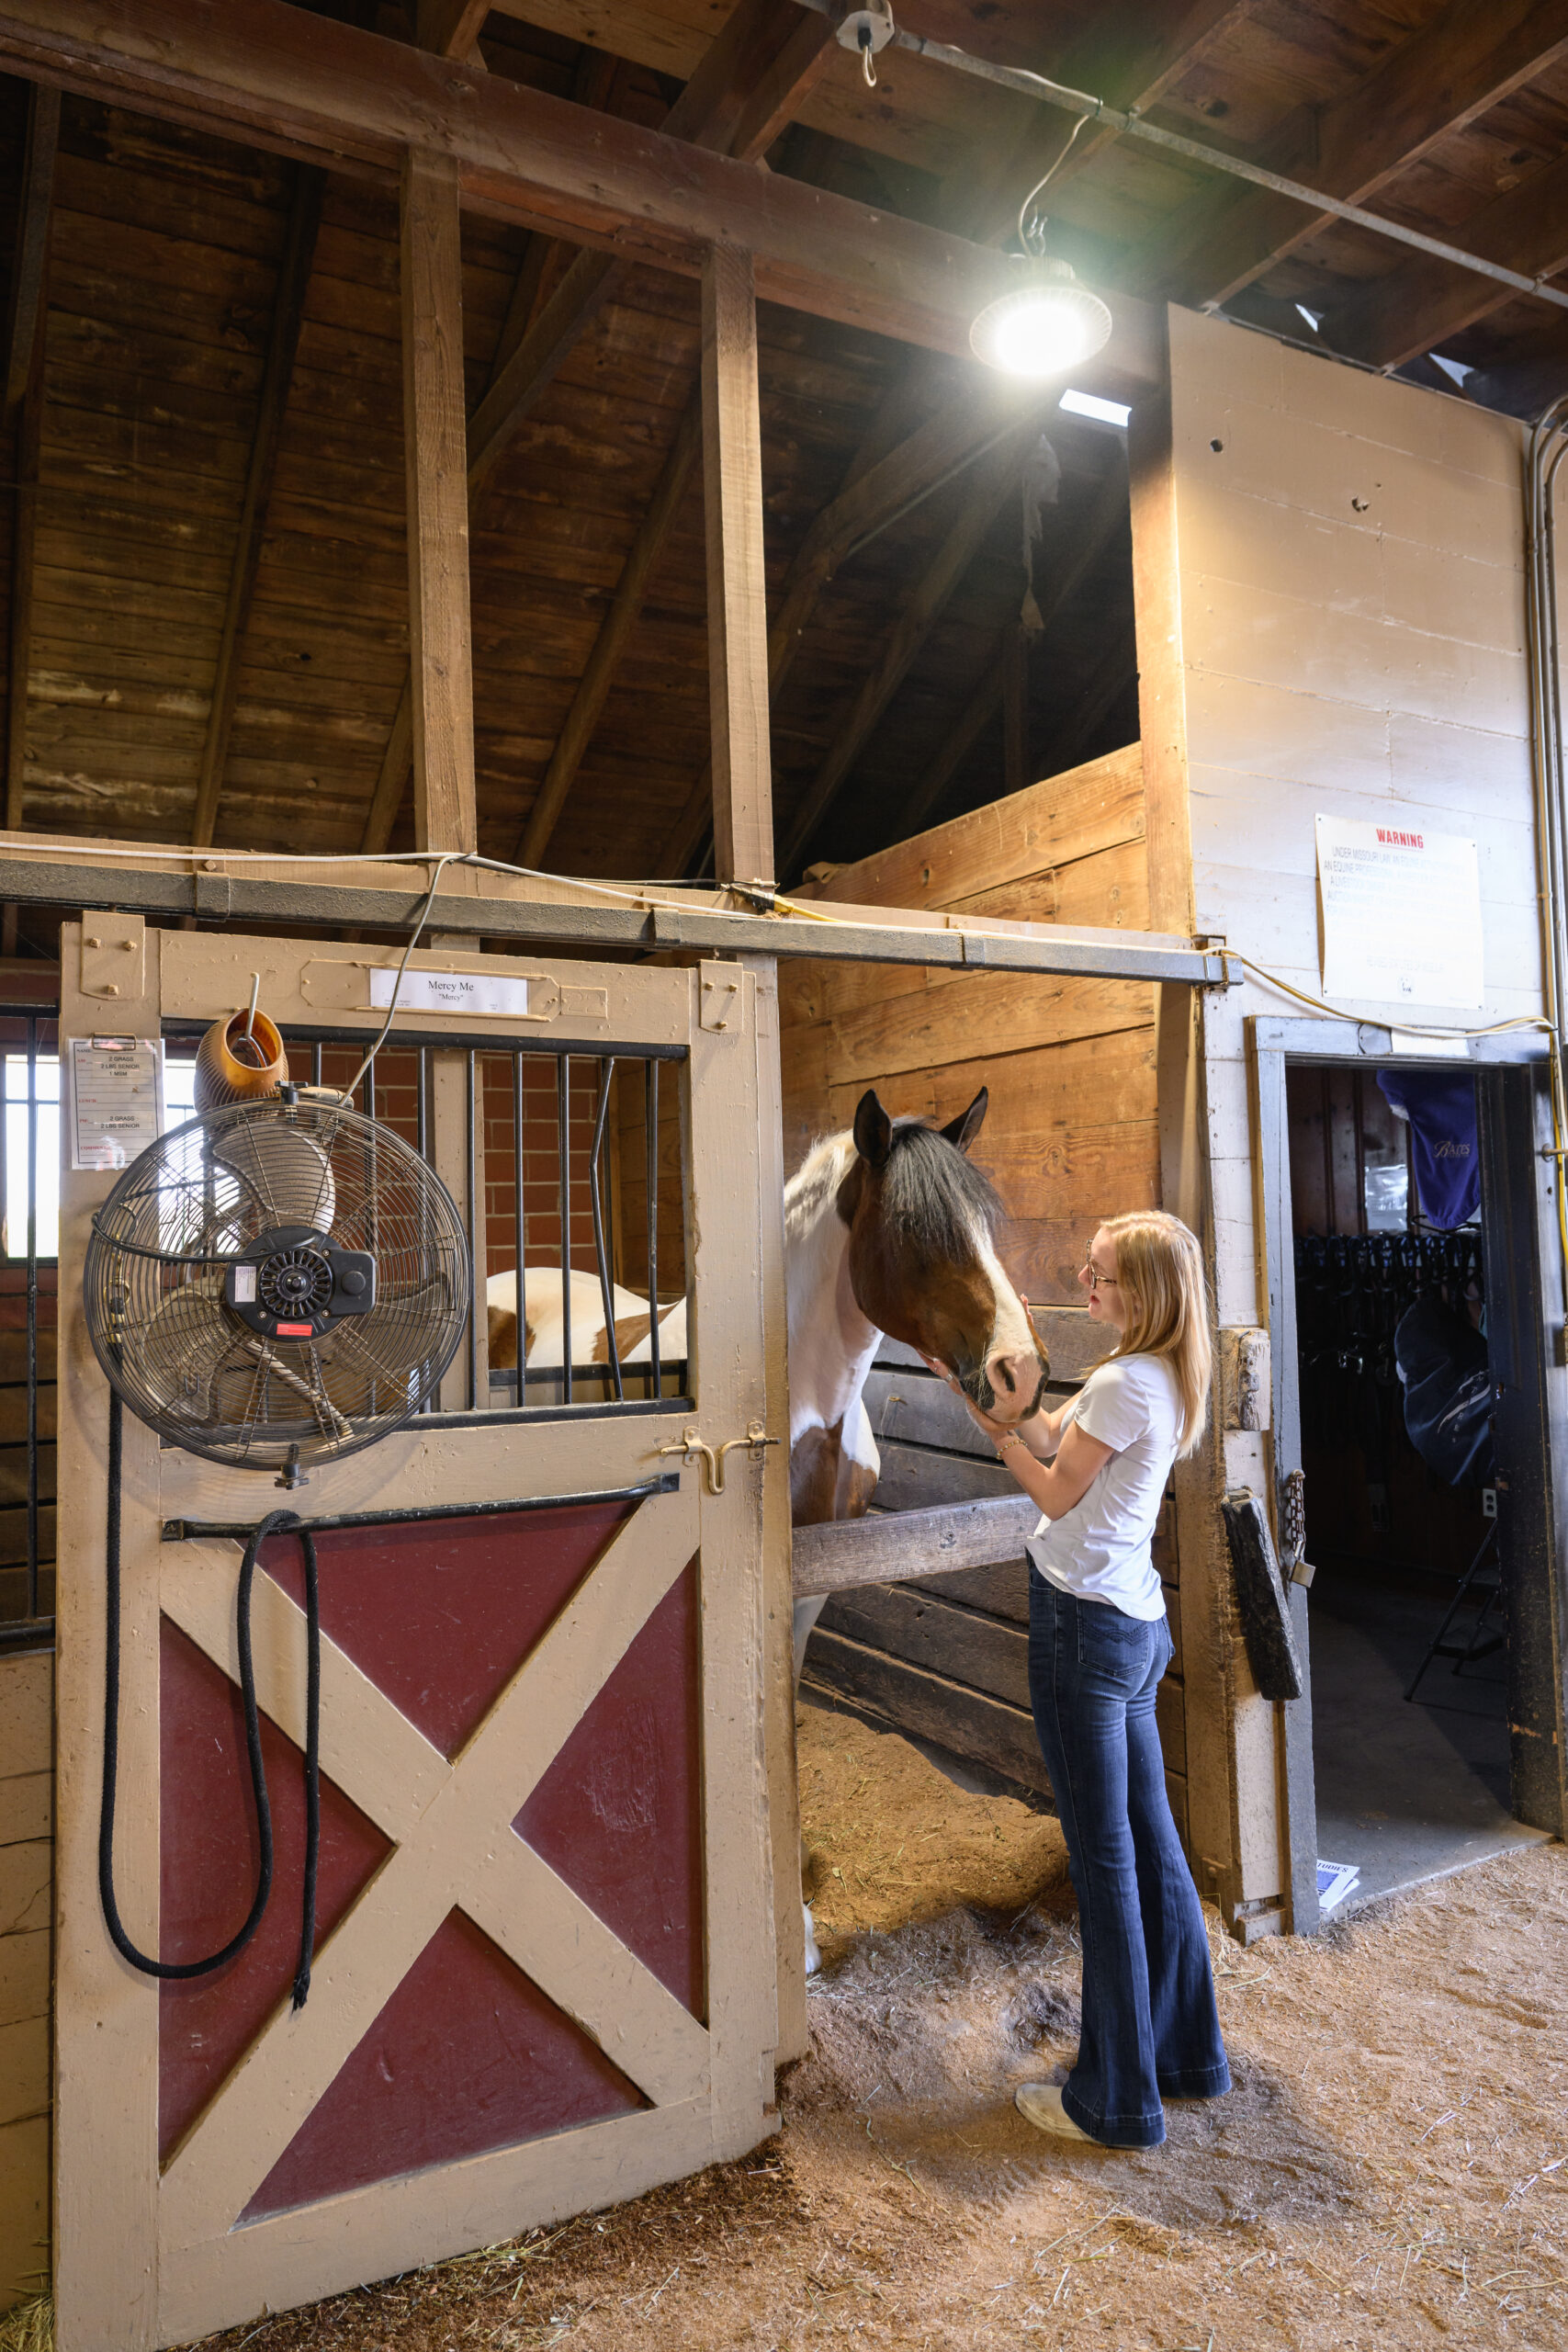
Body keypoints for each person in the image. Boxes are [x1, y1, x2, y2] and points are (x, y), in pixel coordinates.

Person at [929, 1209, 1230, 2149]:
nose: (1085, 1287)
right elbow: (1064, 1433)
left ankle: (1113, 2100)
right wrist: (997, 1407)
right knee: (1150, 1845)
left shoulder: (1126, 1378)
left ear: (1143, 1293)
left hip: (1085, 1632)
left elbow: (1057, 1487)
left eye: (1100, 1277)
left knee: (1104, 1863)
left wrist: (999, 1441)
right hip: (1135, 1625)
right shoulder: (1167, 1376)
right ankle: (1184, 2053)